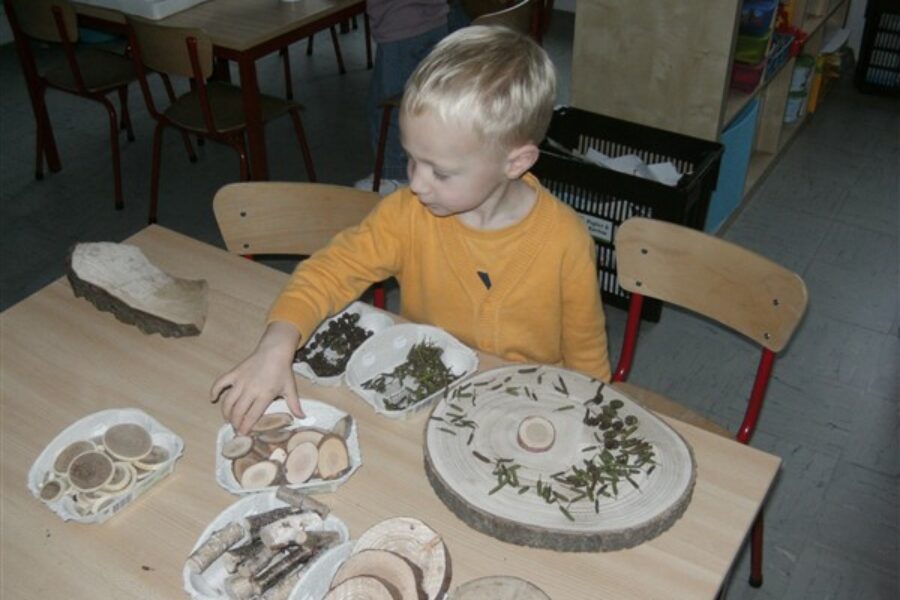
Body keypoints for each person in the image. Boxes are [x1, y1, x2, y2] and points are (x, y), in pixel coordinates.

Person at [213, 25, 612, 434]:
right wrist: (278, 341)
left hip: (530, 408)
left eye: (440, 171)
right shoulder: (407, 215)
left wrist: (590, 418)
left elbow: (587, 357)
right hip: (428, 402)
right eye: (411, 159)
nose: (417, 183)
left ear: (516, 163)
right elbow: (331, 270)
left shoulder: (566, 241)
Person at [353, 0, 453, 195]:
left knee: (388, 108)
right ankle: (434, 164)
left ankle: (395, 176)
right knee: (426, 101)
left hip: (400, 27)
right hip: (435, 18)